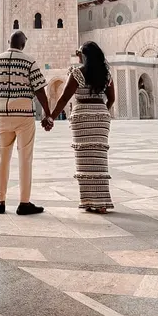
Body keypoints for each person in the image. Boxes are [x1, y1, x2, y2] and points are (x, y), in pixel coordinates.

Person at [0, 30, 53, 216]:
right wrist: (48, 114)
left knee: (2, 158)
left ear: (9, 42)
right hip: (24, 116)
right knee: (25, 158)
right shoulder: (29, 62)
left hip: (2, 117)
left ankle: (0, 201)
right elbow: (39, 91)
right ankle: (24, 202)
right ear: (23, 44)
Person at [47, 41, 115, 213]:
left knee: (85, 160)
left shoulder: (77, 73)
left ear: (84, 55)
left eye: (79, 53)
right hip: (101, 117)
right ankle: (102, 203)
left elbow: (64, 98)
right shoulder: (106, 74)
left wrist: (51, 118)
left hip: (82, 117)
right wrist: (100, 113)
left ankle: (89, 201)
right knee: (99, 159)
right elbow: (112, 98)